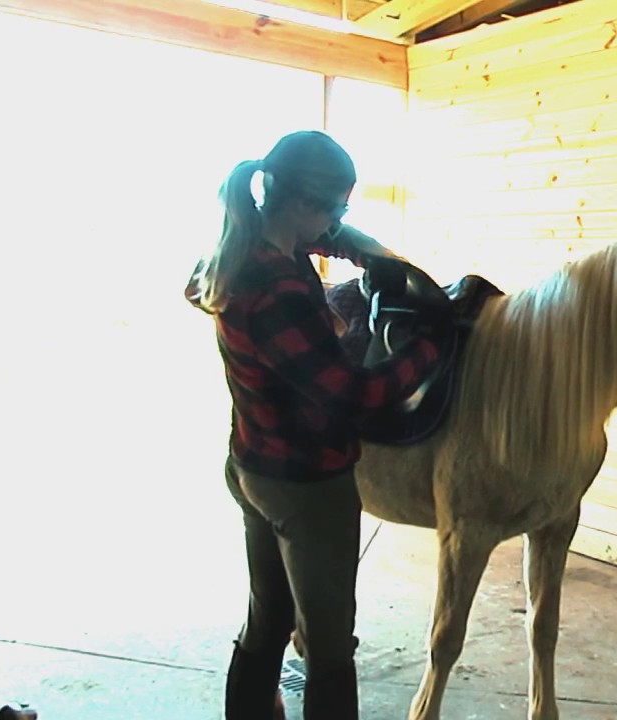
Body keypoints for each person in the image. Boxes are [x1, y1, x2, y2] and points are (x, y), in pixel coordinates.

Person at [185, 130, 438, 720]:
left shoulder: (244, 254)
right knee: (328, 649)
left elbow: (204, 282)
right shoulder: (279, 291)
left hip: (252, 465)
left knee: (267, 618)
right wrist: (427, 344)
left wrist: (359, 245)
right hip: (308, 484)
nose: (337, 224)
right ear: (303, 205)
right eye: (337, 210)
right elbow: (356, 396)